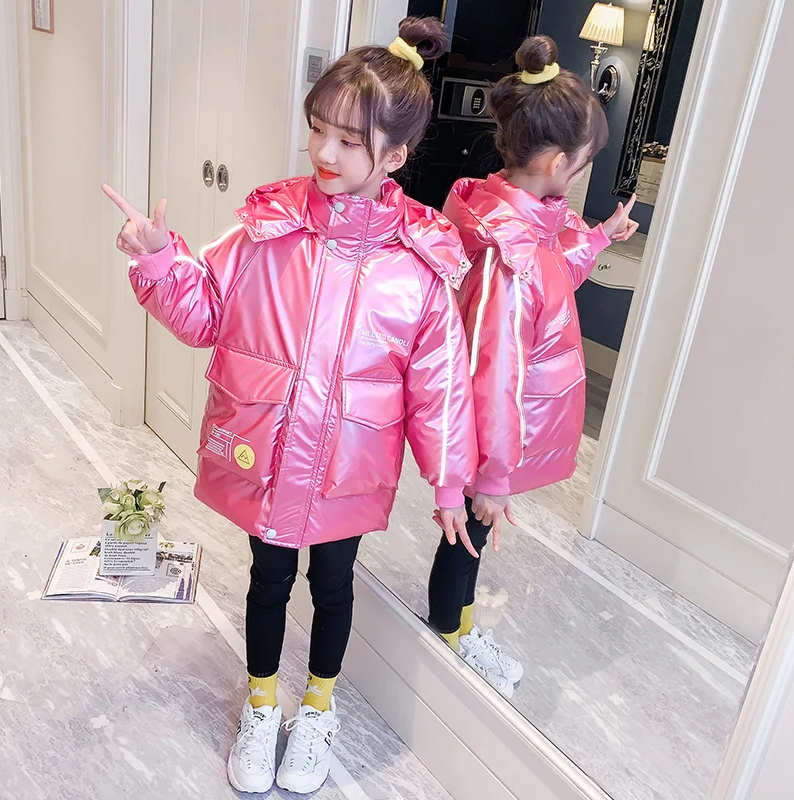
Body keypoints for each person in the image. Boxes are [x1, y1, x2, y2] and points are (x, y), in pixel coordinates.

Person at [103, 17, 478, 795]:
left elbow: (440, 383)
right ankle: (262, 701)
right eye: (318, 130)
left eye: (348, 140)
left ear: (396, 155)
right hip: (267, 451)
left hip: (350, 465)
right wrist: (161, 258)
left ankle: (318, 708)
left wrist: (450, 481)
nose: (324, 152)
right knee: (267, 579)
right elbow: (205, 314)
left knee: (334, 585)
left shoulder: (419, 264)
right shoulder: (266, 230)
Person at [427, 34, 638, 698]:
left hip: (493, 435)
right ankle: (452, 632)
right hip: (485, 435)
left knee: (469, 537)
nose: (578, 178)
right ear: (553, 162)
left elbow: (552, 278)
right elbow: (493, 374)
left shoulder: (520, 222)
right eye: (581, 166)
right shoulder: (508, 254)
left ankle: (456, 622)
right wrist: (493, 475)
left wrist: (598, 238)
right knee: (466, 539)